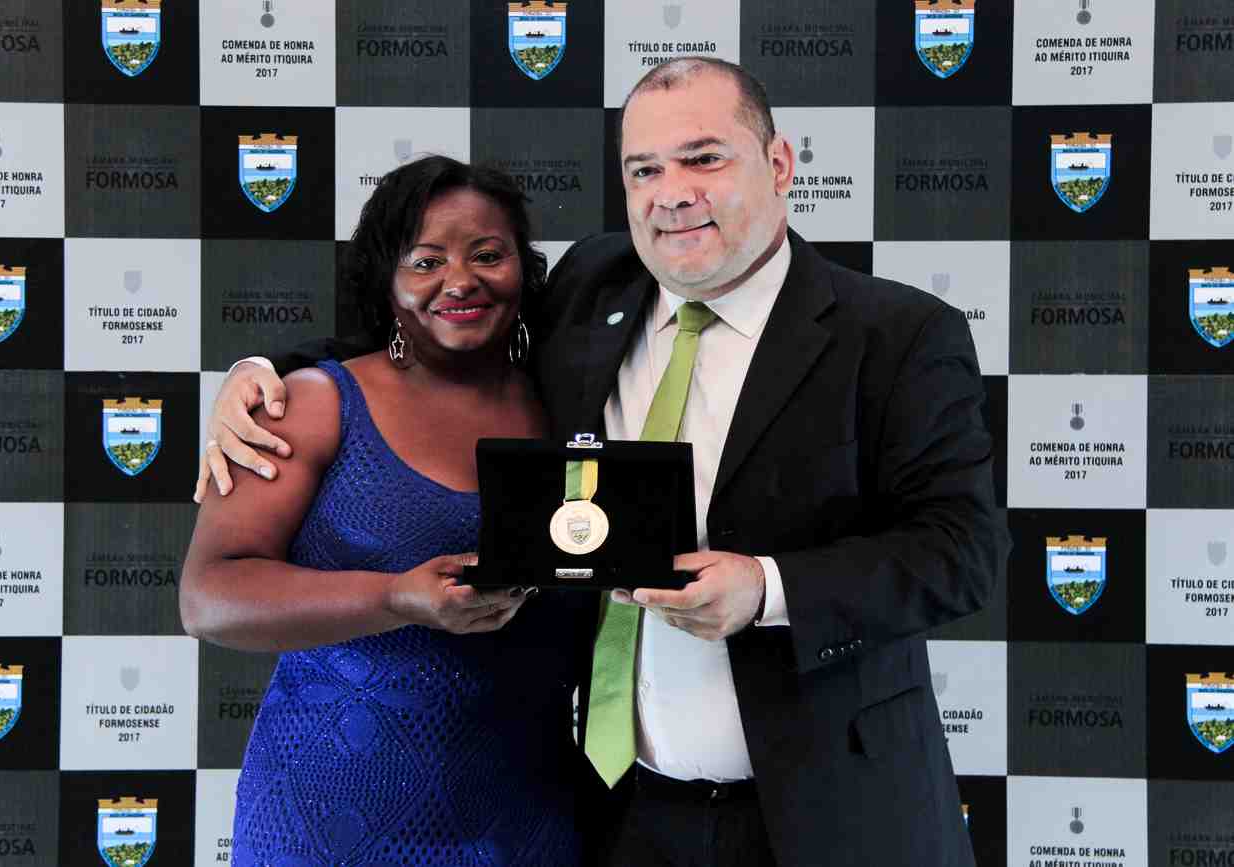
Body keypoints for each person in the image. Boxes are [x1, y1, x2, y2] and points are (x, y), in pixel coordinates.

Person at [199, 58, 1009, 867]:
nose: (672, 193)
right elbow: (437, 326)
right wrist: (262, 370)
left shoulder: (899, 336)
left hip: (829, 818)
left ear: (779, 164)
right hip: (620, 817)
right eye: (644, 169)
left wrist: (767, 588)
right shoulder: (594, 286)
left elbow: (965, 550)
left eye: (703, 158)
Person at [180, 155, 591, 867]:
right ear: (386, 279)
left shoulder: (571, 406)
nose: (459, 280)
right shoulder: (311, 402)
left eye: (487, 255)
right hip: (330, 823)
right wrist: (396, 596)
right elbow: (209, 596)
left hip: (530, 819)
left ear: (524, 271)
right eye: (425, 261)